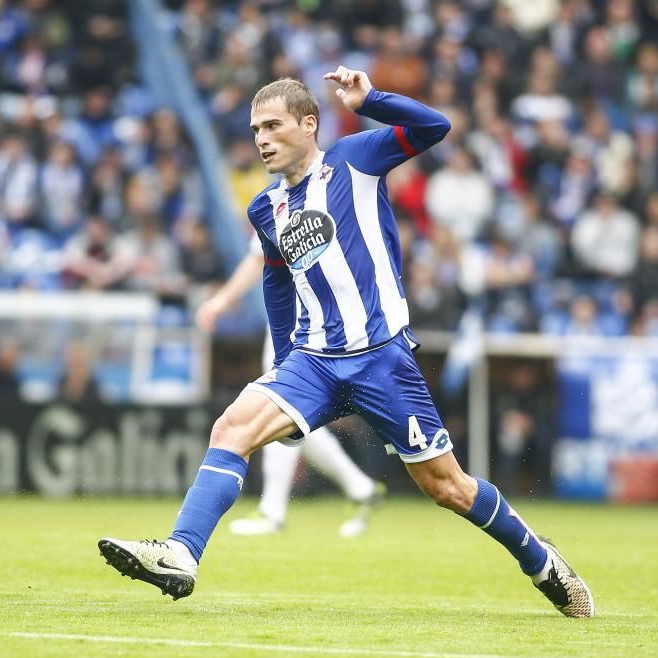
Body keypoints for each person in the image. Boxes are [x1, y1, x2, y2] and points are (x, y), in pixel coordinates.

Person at [98, 69, 594, 617]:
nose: (260, 139)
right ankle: (181, 554)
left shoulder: (356, 158)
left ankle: (540, 561)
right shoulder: (266, 209)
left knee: (447, 487)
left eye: (272, 125)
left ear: (308, 124)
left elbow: (436, 125)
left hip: (382, 358)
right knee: (232, 426)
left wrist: (371, 100)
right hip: (313, 361)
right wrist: (284, 372)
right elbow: (277, 284)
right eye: (254, 128)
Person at [196, 246, 385, 537]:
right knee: (287, 413)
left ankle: (273, 510)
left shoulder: (281, 203)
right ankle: (359, 486)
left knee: (277, 403)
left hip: (301, 317)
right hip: (320, 314)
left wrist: (220, 301)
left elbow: (258, 257)